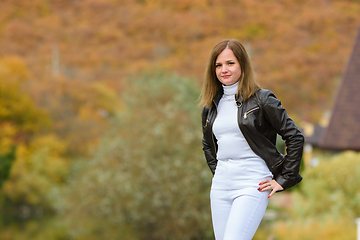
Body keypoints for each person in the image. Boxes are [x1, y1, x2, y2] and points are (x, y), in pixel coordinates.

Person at [199, 39, 304, 240]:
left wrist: (284, 179)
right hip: (221, 184)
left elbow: (294, 136)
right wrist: (219, 171)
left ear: (242, 65)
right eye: (218, 65)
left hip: (252, 182)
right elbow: (208, 144)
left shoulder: (262, 99)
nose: (224, 70)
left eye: (230, 63)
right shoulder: (210, 107)